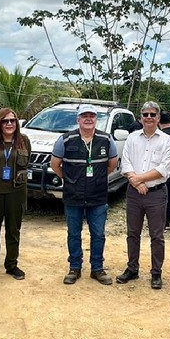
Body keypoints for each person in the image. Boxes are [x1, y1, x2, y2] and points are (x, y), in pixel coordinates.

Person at [51, 104, 119, 285]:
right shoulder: (65, 140)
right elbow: (55, 164)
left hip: (98, 196)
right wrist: (69, 179)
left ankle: (97, 269)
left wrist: (98, 178)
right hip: (73, 196)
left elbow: (112, 164)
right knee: (74, 233)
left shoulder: (106, 139)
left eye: (92, 116)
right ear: (78, 119)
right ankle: (74, 268)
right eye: (84, 116)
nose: (88, 119)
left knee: (98, 234)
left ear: (97, 119)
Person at [117, 101, 170, 289]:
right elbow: (125, 163)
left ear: (158, 117)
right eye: (145, 114)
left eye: (152, 114)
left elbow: (163, 169)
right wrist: (135, 182)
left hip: (156, 194)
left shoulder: (166, 140)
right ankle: (132, 268)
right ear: (140, 117)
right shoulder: (132, 138)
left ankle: (156, 273)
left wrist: (137, 179)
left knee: (157, 235)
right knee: (132, 233)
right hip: (134, 194)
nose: (149, 117)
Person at [0, 108, 30, 284]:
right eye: (5, 121)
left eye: (12, 120)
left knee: (13, 231)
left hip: (16, 194)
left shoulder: (23, 141)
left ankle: (11, 264)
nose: (9, 124)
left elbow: (27, 163)